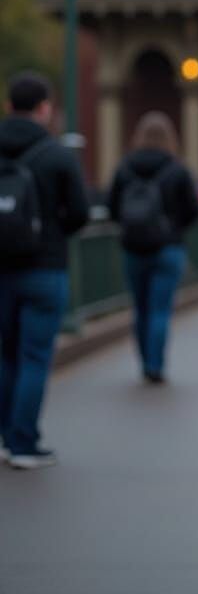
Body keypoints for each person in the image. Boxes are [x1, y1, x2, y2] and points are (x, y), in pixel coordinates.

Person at [0, 72, 89, 469]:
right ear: (45, 108)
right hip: (44, 267)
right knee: (34, 357)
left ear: (8, 107)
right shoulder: (56, 155)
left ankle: (5, 439)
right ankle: (23, 443)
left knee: (5, 356)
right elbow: (80, 214)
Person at [107, 112, 198, 383]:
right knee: (160, 309)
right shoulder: (177, 169)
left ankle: (144, 361)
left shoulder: (124, 167)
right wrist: (174, 228)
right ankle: (155, 365)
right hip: (167, 248)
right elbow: (193, 210)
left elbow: (113, 207)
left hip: (133, 247)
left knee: (141, 308)